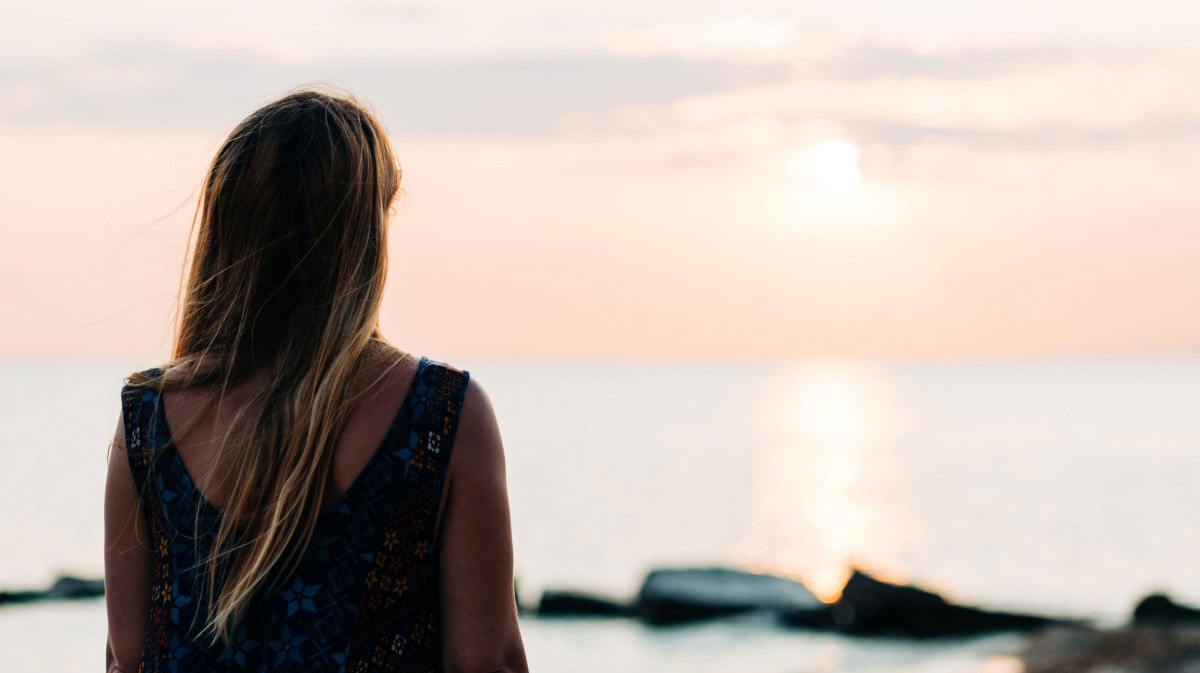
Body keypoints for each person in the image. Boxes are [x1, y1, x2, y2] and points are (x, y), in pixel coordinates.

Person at [103, 89, 529, 673]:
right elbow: (488, 663)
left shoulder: (149, 421)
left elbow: (126, 661)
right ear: (365, 237)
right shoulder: (440, 416)